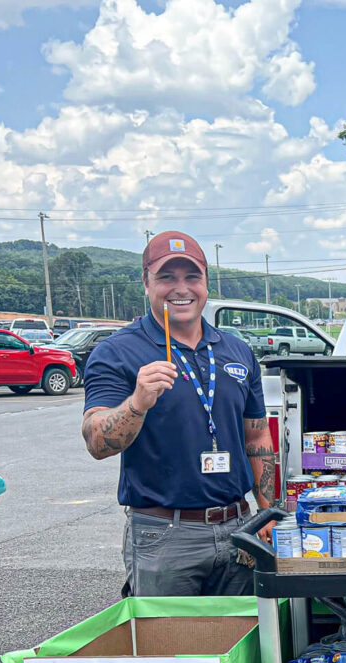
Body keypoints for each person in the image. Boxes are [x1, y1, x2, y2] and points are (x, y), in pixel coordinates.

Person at [82, 230, 275, 596]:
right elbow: (96, 442)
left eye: (192, 276)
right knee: (167, 633)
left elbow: (256, 434)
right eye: (167, 277)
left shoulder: (236, 350)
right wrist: (137, 402)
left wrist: (266, 510)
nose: (181, 288)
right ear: (146, 283)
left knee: (242, 631)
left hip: (239, 527)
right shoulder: (117, 352)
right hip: (164, 535)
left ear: (206, 283)